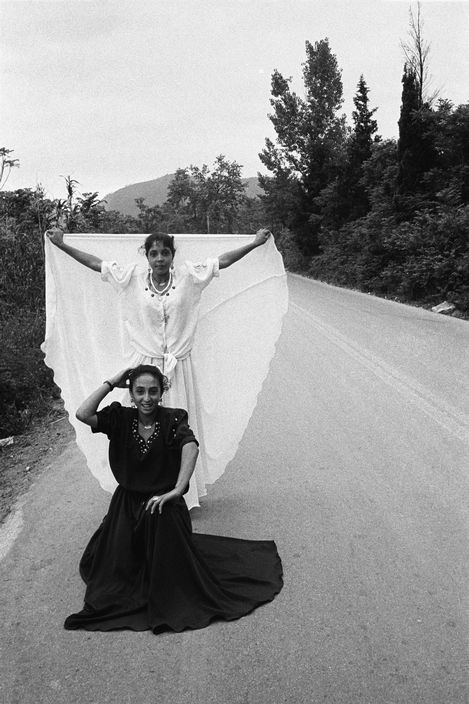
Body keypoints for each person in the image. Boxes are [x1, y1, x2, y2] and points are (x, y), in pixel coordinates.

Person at [45, 227, 273, 508]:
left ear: (172, 255)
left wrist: (254, 243)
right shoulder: (131, 278)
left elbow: (222, 261)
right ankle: (142, 488)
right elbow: (95, 264)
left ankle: (180, 494)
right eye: (153, 253)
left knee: (177, 430)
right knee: (142, 430)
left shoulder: (190, 277)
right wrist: (62, 244)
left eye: (165, 252)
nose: (159, 258)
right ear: (147, 256)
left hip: (179, 366)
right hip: (144, 367)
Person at [64, 365, 282, 633]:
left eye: (153, 391)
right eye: (140, 391)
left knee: (169, 560)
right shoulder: (119, 418)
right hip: (127, 505)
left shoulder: (173, 418)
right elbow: (83, 414)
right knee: (113, 569)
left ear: (162, 392)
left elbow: (190, 445)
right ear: (131, 394)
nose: (147, 398)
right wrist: (111, 382)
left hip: (163, 503)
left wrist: (177, 490)